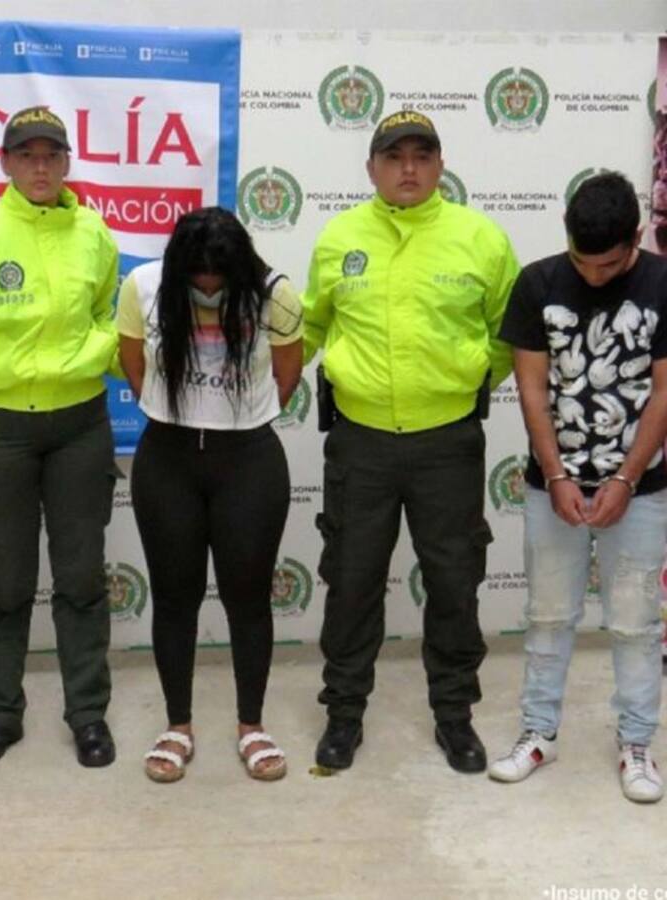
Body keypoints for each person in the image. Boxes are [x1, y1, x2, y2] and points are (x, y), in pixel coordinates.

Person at [302, 110, 519, 773]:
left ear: (440, 165)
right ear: (371, 168)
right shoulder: (340, 238)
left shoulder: (480, 238)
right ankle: (344, 714)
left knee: (454, 582)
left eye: (422, 157)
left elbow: (508, 335)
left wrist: (463, 381)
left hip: (447, 444)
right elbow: (312, 327)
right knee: (352, 580)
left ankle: (455, 716)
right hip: (360, 443)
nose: (408, 169)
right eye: (394, 157)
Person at [0, 106, 120, 768]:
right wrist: (2, 384)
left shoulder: (94, 232)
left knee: (81, 577)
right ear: (6, 163)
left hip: (80, 425)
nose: (40, 167)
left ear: (66, 162)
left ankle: (88, 714)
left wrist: (80, 361)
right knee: (7, 580)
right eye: (26, 156)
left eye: (51, 156)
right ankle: (0, 714)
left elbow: (105, 315)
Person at [488, 172, 667, 803]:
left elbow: (664, 392)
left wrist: (626, 478)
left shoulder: (662, 283)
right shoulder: (537, 282)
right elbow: (532, 389)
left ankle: (637, 742)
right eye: (581, 262)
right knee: (548, 616)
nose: (593, 276)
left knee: (635, 622)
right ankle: (538, 732)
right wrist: (557, 474)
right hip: (552, 486)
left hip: (642, 489)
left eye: (609, 265)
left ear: (636, 239)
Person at [117, 207, 302, 783]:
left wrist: (233, 418)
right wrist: (181, 413)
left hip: (248, 459)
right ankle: (178, 724)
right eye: (196, 277)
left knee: (249, 598)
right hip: (167, 458)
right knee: (175, 597)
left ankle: (252, 725)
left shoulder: (275, 294)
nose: (207, 287)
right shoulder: (143, 286)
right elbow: (132, 363)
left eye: (219, 278)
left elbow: (287, 375)